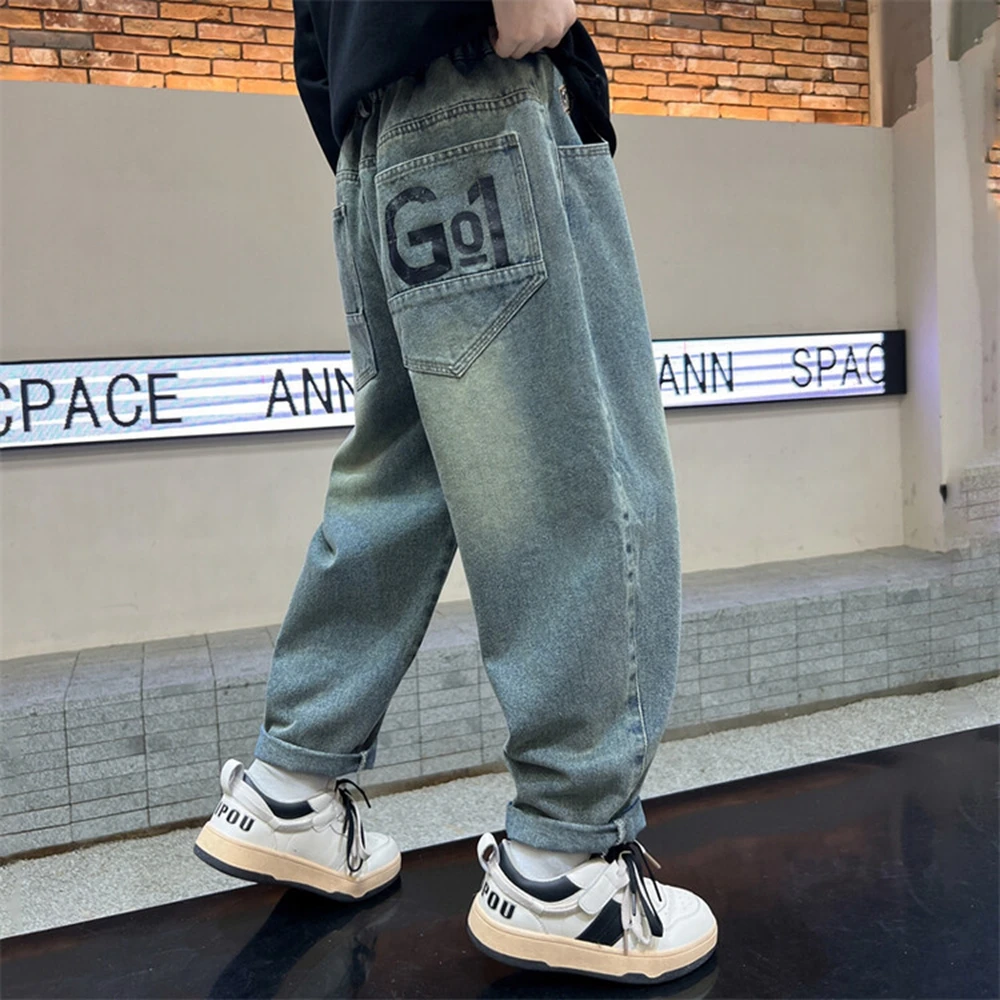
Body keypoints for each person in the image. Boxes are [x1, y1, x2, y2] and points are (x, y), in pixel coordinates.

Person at [194, 0, 718, 984]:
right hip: (480, 81)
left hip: (372, 135)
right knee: (574, 466)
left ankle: (292, 783)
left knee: (403, 470)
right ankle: (566, 866)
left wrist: (371, 101)